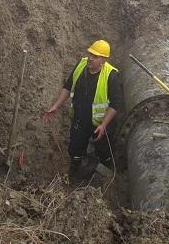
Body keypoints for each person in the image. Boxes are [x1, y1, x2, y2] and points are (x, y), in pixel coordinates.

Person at [42, 39, 123, 177]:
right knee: (75, 149)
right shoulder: (80, 65)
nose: (90, 58)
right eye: (90, 54)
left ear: (104, 60)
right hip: (80, 118)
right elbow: (68, 86)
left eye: (95, 56)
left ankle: (103, 177)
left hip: (101, 124)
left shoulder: (112, 76)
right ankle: (75, 174)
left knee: (104, 152)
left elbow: (115, 104)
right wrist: (55, 106)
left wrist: (103, 125)